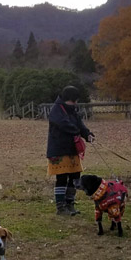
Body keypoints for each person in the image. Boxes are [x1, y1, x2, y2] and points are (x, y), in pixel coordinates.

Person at [46, 86, 94, 216]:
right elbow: (64, 125)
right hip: (59, 150)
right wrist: (78, 132)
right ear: (67, 99)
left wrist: (87, 134)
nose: (75, 103)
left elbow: (80, 124)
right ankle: (61, 207)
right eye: (74, 101)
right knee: (61, 178)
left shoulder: (72, 110)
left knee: (75, 177)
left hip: (72, 150)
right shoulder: (57, 110)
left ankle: (70, 203)